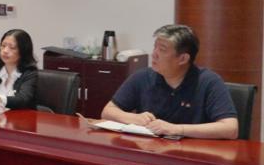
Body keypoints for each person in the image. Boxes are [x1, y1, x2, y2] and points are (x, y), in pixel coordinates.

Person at [101, 24, 238, 139]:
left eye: (162, 49)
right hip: (149, 152)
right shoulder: (142, 77)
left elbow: (231, 129)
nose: (154, 54)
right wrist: (133, 118)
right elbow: (107, 112)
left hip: (191, 154)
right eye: (155, 47)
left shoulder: (208, 82)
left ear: (183, 59)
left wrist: (177, 129)